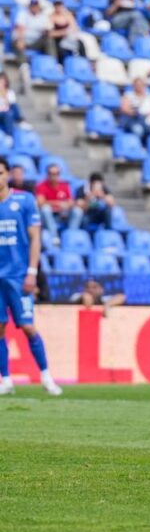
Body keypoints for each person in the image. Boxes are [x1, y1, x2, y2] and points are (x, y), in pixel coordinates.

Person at [0, 158, 62, 397]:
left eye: (1, 172)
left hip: (17, 276)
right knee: (0, 329)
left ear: (7, 175)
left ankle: (46, 375)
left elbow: (35, 238)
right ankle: (6, 379)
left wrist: (32, 272)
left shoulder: (24, 200)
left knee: (27, 327)